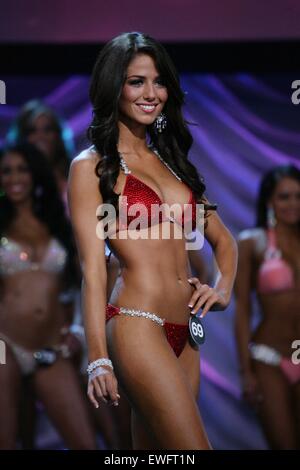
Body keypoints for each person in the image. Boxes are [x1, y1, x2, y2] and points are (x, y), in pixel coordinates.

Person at [68, 32, 237, 450]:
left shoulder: (173, 162)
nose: (151, 93)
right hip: (136, 325)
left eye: (159, 82)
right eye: (136, 81)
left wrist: (223, 290)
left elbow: (225, 241)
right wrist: (97, 359)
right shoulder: (90, 167)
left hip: (187, 332)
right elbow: (92, 270)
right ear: (114, 86)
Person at [0, 142, 96, 449]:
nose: (14, 177)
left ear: (35, 174)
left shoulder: (58, 226)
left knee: (86, 443)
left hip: (50, 347)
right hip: (5, 346)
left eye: (22, 169)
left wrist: (76, 331)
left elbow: (85, 283)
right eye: (6, 171)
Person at [234, 165, 300, 449]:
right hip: (268, 357)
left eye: (298, 196)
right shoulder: (252, 242)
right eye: (284, 196)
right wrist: (245, 372)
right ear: (269, 201)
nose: (293, 203)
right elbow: (242, 311)